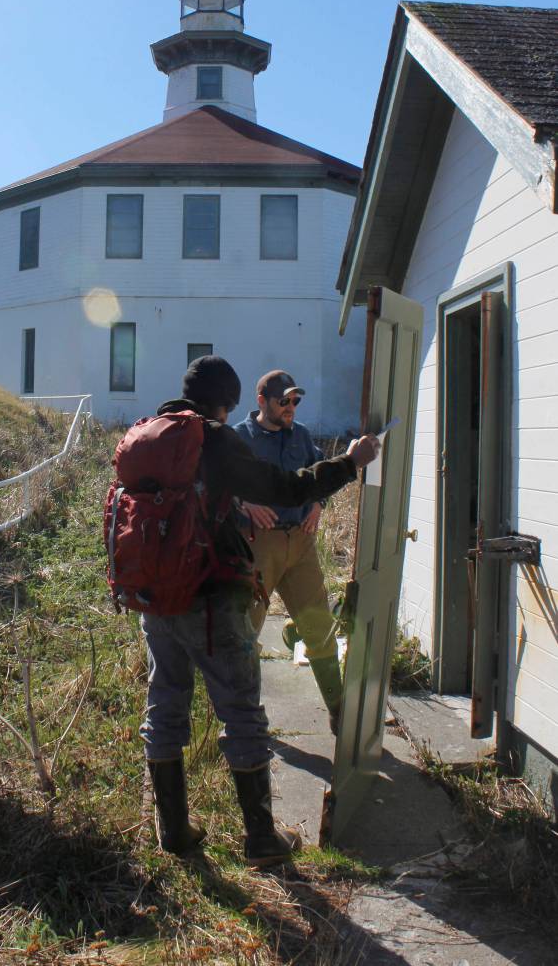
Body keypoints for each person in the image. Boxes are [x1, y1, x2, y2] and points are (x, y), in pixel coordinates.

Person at [139, 357, 379, 866]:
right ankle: (262, 840)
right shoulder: (215, 438)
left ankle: (174, 832)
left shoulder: (147, 434)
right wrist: (349, 464)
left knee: (164, 705)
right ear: (228, 400)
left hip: (155, 598)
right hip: (209, 597)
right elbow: (284, 488)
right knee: (243, 712)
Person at [233, 370, 345, 735]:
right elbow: (210, 485)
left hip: (300, 545)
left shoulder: (301, 437)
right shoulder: (238, 439)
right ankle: (245, 718)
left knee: (319, 626)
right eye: (284, 401)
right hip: (257, 547)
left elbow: (319, 474)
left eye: (296, 401)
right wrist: (243, 503)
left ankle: (339, 710)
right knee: (246, 632)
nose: (291, 407)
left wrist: (319, 503)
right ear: (261, 401)